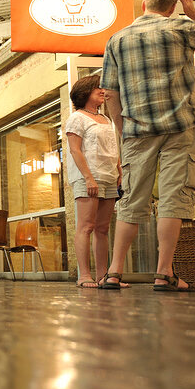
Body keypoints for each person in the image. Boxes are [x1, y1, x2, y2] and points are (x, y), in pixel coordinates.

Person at [101, 0, 195, 291]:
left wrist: (121, 128)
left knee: (132, 201)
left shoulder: (117, 39)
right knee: (173, 199)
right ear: (173, 7)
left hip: (137, 131)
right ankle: (164, 273)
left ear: (144, 6)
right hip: (181, 128)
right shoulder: (180, 26)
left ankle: (114, 272)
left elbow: (110, 92)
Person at [65, 74, 121, 288]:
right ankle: (84, 276)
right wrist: (88, 177)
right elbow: (75, 149)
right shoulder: (77, 117)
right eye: (97, 87)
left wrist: (118, 171)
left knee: (103, 229)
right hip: (88, 177)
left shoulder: (105, 118)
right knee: (86, 227)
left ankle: (103, 276)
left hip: (108, 177)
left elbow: (112, 149)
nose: (102, 91)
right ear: (85, 92)